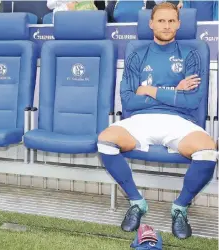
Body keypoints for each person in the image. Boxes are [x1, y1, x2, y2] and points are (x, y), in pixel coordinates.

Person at [97, 2, 215, 239]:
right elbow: (129, 102)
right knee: (105, 141)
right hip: (141, 120)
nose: (167, 25)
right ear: (151, 23)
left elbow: (192, 101)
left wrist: (149, 90)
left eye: (172, 20)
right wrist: (175, 91)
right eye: (161, 20)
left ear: (179, 23)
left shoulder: (192, 54)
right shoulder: (136, 55)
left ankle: (180, 208)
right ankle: (137, 202)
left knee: (208, 151)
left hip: (179, 121)